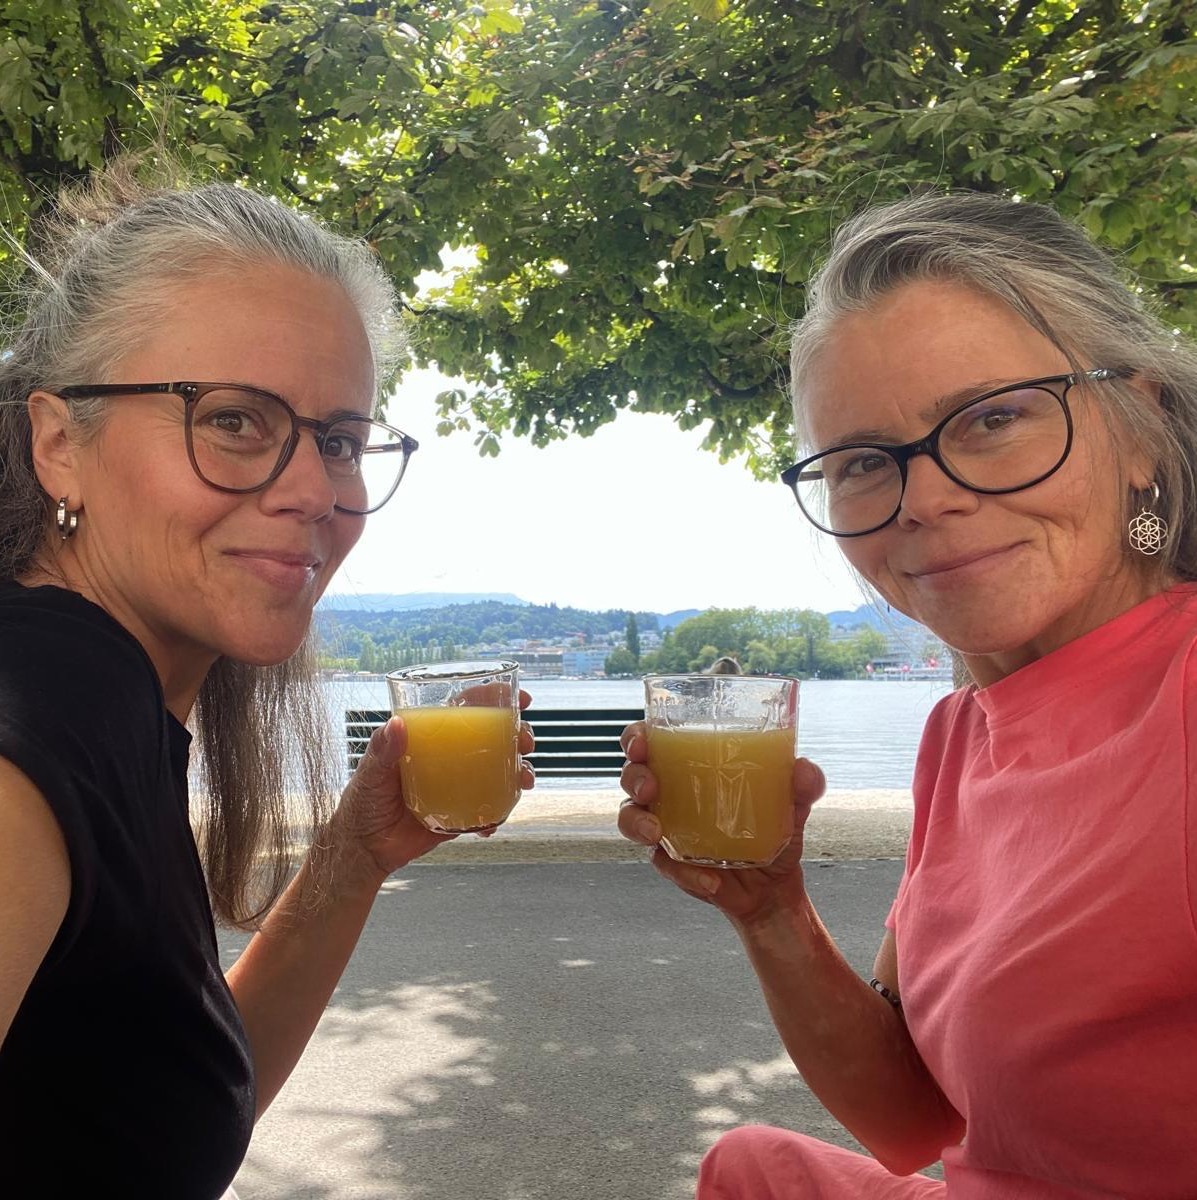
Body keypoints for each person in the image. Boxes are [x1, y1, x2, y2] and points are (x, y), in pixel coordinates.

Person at [618, 191, 1197, 1198]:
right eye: (862, 463)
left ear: (1139, 426)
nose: (923, 498)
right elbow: (911, 1116)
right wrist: (771, 909)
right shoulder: (959, 732)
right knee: (747, 1167)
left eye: (993, 419)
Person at [0, 159, 532, 1196]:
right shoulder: (47, 705)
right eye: (234, 420)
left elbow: (162, 1101)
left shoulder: (114, 704)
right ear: (59, 444)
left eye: (339, 439)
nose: (314, 491)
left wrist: (354, 855)